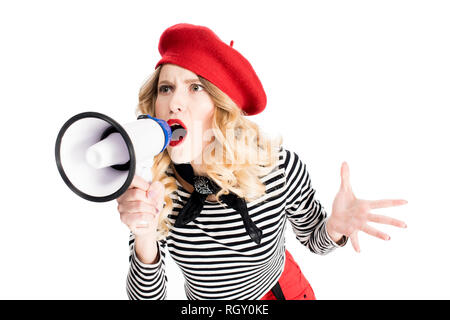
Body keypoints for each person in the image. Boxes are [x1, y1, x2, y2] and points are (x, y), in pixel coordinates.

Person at [117, 23, 408, 300]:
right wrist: (144, 235)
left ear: (221, 107)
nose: (173, 103)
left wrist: (334, 228)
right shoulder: (154, 186)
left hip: (281, 291)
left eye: (195, 87)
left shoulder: (278, 168)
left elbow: (314, 241)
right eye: (165, 88)